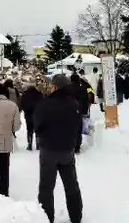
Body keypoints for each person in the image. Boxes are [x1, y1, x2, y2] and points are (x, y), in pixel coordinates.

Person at [33, 74, 83, 223]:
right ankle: (76, 217)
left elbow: (37, 125)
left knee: (46, 187)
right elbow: (78, 126)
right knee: (72, 185)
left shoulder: (45, 104)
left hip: (48, 150)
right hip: (68, 150)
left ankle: (46, 218)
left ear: (55, 87)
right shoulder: (74, 104)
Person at [20, 80, 44, 151]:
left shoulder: (25, 94)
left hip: (28, 114)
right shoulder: (39, 94)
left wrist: (25, 110)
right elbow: (42, 104)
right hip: (37, 114)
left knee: (29, 129)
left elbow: (22, 104)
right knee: (37, 129)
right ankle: (38, 144)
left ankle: (29, 144)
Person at [69, 73, 90, 153]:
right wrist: (85, 112)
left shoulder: (67, 89)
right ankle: (77, 147)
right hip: (79, 112)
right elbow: (85, 101)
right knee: (78, 130)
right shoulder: (83, 89)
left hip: (69, 112)